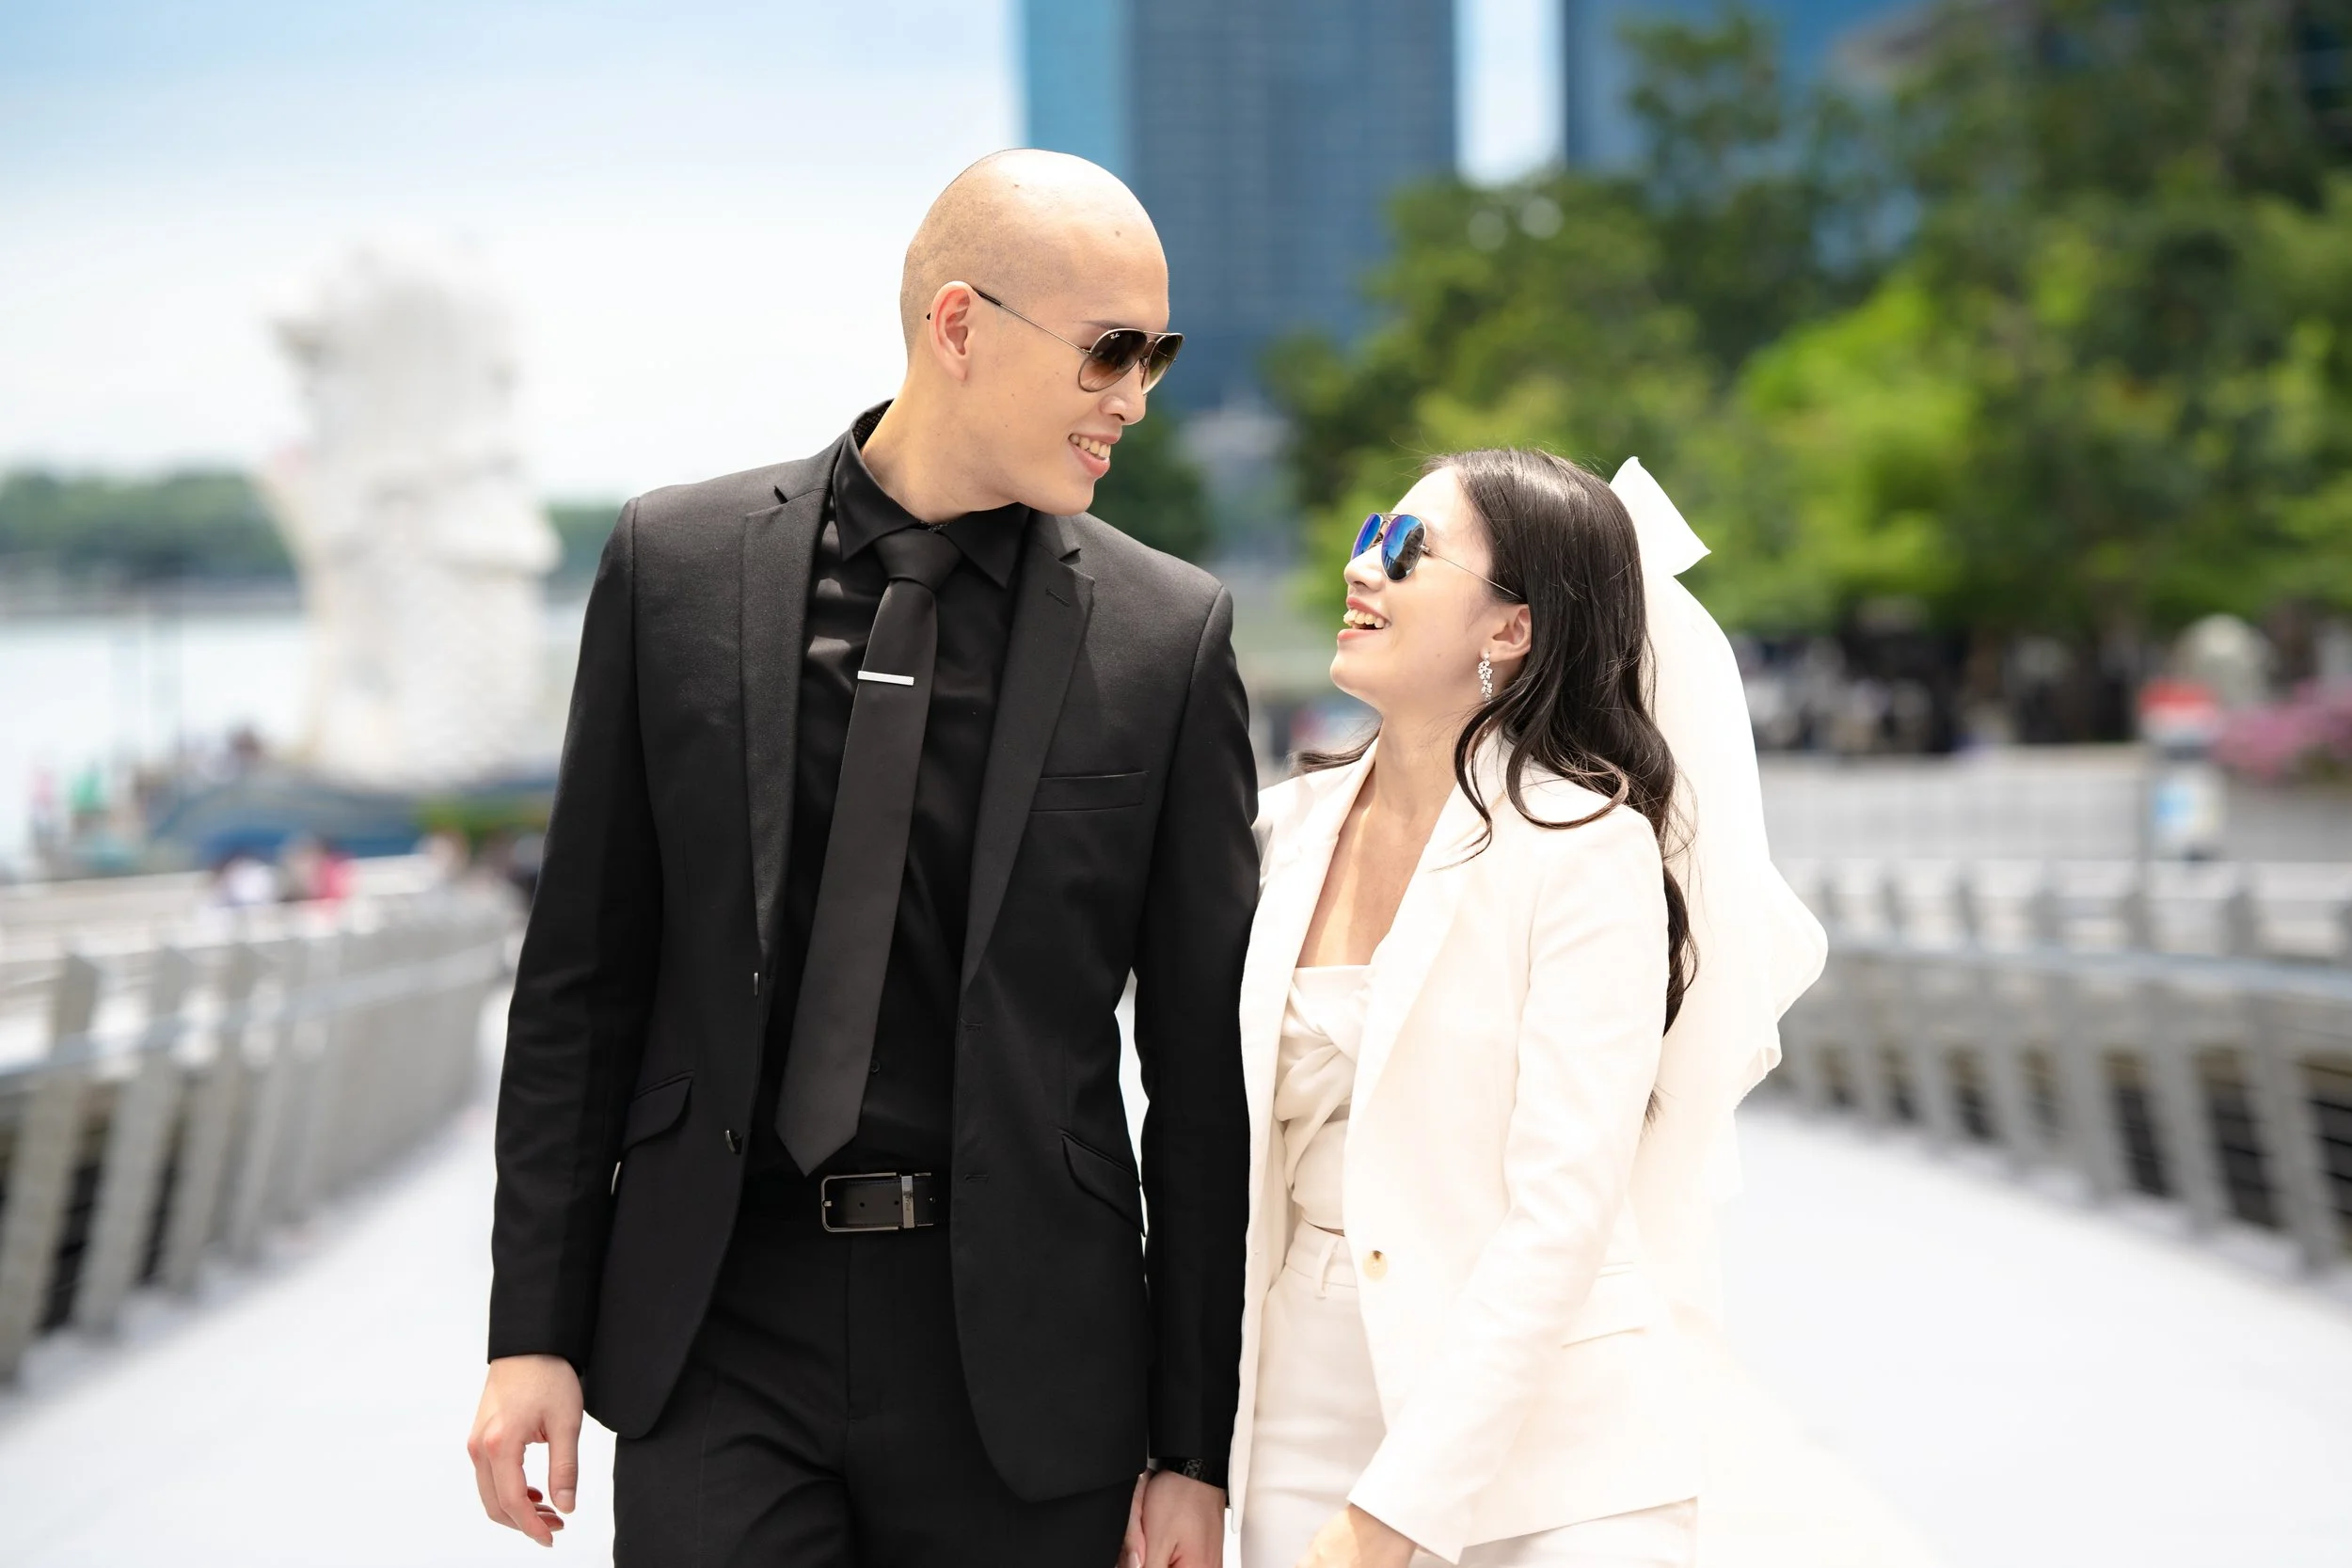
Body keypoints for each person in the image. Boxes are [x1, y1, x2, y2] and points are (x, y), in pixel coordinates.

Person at [467, 150, 1257, 1568]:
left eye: (1157, 355)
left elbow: (1203, 1081)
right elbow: (581, 978)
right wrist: (532, 1326)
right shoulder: (677, 566)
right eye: (1108, 353)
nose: (1134, 399)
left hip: (1027, 1353)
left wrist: (1195, 1445)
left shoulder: (1169, 635)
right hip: (719, 1319)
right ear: (959, 325)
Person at [1231, 450, 1825, 1567]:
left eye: (1407, 550)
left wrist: (1397, 1510)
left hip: (1557, 1447)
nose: (1364, 566)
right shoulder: (1281, 832)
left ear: (1509, 631)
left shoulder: (1587, 847)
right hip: (1299, 1402)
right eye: (1370, 533)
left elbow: (1562, 1210)